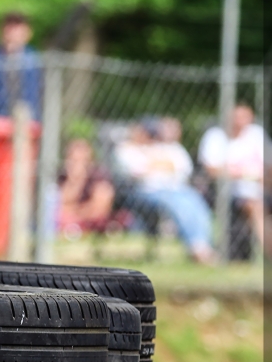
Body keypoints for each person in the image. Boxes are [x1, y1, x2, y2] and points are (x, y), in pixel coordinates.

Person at [115, 117, 215, 264]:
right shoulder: (125, 149)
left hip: (176, 190)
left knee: (195, 200)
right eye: (145, 132)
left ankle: (203, 245)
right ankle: (197, 249)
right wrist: (162, 165)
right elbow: (137, 172)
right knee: (175, 202)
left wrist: (155, 164)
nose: (148, 136)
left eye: (151, 133)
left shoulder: (162, 148)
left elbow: (182, 169)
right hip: (142, 193)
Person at [198, 103, 266, 253]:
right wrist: (246, 175)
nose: (240, 121)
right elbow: (212, 170)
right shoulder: (215, 136)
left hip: (261, 187)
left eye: (244, 117)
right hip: (228, 191)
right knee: (255, 206)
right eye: (236, 117)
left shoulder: (256, 134)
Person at [0, 12, 42, 121]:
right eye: (9, 28)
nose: (12, 33)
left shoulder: (33, 58)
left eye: (17, 28)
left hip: (28, 115)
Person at [56, 139, 117, 237]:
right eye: (72, 160)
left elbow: (99, 209)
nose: (75, 165)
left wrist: (73, 212)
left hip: (88, 221)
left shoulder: (99, 176)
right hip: (68, 219)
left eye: (80, 160)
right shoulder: (62, 177)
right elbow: (58, 204)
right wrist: (74, 182)